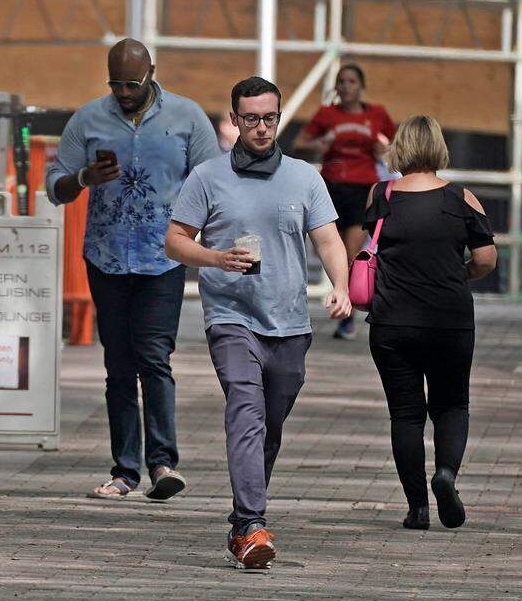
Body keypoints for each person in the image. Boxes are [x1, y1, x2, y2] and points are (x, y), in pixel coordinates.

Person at [166, 76, 352, 570]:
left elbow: (330, 240)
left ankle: (241, 525)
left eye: (270, 117)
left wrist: (341, 285)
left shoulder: (303, 177)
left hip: (289, 321)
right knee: (245, 411)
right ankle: (252, 522)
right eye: (251, 118)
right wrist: (214, 258)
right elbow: (176, 241)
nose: (262, 127)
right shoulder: (207, 177)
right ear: (234, 120)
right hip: (231, 316)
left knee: (269, 424)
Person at [45, 38, 221, 502]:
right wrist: (84, 178)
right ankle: (125, 470)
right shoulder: (87, 119)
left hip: (164, 256)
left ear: (152, 73)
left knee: (153, 357)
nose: (124, 92)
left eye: (132, 83)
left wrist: (207, 244)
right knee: (118, 363)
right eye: (116, 83)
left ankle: (162, 463)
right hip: (106, 256)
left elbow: (212, 185)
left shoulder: (187, 118)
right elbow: (54, 186)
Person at [363, 115, 497, 530]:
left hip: (392, 323)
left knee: (405, 415)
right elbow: (486, 259)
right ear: (439, 147)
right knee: (451, 404)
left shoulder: (381, 194)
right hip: (449, 321)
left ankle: (417, 508)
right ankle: (447, 475)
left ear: (399, 148)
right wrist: (459, 275)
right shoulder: (462, 198)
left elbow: (366, 248)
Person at [293, 63, 396, 340]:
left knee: (350, 253)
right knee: (329, 250)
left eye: (351, 81)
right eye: (342, 81)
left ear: (361, 86)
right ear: (336, 87)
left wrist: (384, 150)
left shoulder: (377, 114)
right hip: (331, 187)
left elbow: (401, 148)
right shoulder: (327, 115)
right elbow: (300, 142)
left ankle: (347, 314)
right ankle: (344, 301)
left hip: (362, 189)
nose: (346, 86)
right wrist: (319, 145)